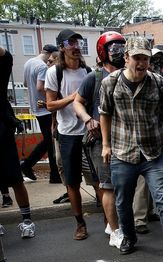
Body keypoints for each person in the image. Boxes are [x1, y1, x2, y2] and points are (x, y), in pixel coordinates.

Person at [99, 37, 163, 262]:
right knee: (122, 202)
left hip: (153, 153)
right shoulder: (110, 83)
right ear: (126, 58)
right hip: (122, 152)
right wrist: (106, 145)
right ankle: (129, 236)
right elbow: (105, 114)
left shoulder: (158, 83)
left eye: (145, 59)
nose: (141, 63)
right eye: (137, 57)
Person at [73, 31, 126, 248]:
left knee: (124, 186)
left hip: (125, 139)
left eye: (122, 48)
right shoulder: (93, 77)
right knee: (108, 186)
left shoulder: (129, 74)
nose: (119, 53)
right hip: (100, 140)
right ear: (103, 52)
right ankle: (115, 231)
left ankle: (118, 224)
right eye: (114, 49)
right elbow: (77, 102)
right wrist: (87, 119)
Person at [45, 28, 98, 240]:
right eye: (71, 43)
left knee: (99, 180)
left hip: (90, 132)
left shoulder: (88, 72)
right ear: (62, 48)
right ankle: (80, 223)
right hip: (67, 134)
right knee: (72, 183)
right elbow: (50, 105)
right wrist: (75, 97)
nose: (76, 47)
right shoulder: (54, 72)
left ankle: (109, 221)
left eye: (78, 43)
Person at [1, 45, 36, 240]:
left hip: (3, 131)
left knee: (15, 179)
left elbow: (5, 55)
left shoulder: (3, 66)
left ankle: (27, 221)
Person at [21, 43, 60, 182]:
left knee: (48, 140)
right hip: (45, 108)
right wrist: (53, 95)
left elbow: (26, 84)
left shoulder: (29, 63)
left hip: (36, 108)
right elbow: (40, 87)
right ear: (50, 54)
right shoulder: (42, 66)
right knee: (51, 141)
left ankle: (28, 164)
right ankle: (53, 174)